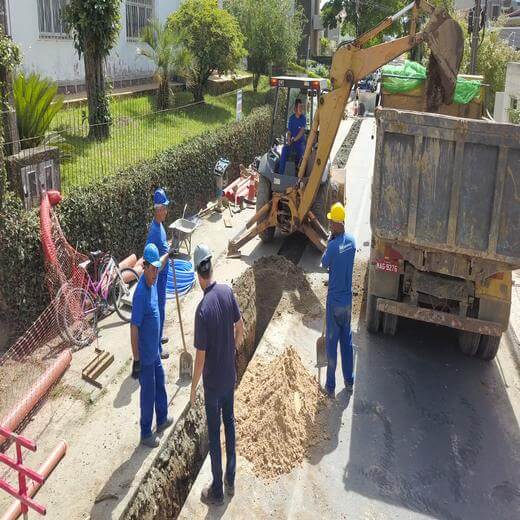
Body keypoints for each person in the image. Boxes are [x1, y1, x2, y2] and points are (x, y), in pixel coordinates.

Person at [190, 244, 244, 505]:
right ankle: (230, 480)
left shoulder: (202, 311)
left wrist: (192, 389)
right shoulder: (227, 291)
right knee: (230, 425)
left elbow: (199, 358)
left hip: (212, 386)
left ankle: (217, 492)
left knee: (214, 436)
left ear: (197, 273)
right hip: (229, 378)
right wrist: (231, 349)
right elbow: (240, 327)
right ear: (210, 267)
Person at [130, 243, 174, 448]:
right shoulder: (140, 293)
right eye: (153, 268)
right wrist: (136, 359)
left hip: (155, 351)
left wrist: (168, 254)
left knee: (161, 382)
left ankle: (162, 418)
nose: (155, 272)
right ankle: (146, 432)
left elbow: (162, 262)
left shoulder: (153, 280)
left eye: (157, 268)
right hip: (145, 356)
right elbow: (134, 328)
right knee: (147, 393)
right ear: (144, 266)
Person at [321, 202, 356, 398]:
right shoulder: (352, 242)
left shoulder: (333, 247)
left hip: (334, 302)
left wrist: (329, 243)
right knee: (347, 341)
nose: (330, 226)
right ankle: (349, 381)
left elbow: (324, 263)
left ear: (336, 223)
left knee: (332, 344)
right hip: (347, 302)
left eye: (331, 223)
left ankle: (331, 386)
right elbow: (345, 248)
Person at [146, 188, 171, 359]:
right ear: (159, 209)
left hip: (163, 276)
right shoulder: (154, 231)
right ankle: (157, 350)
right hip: (158, 278)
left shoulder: (160, 225)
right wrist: (168, 254)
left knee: (162, 309)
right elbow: (148, 256)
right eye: (165, 208)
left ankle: (159, 337)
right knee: (159, 311)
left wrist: (168, 249)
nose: (167, 211)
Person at [279, 98, 307, 176]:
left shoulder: (303, 119)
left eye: (302, 107)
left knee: (301, 154)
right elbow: (289, 132)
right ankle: (281, 174)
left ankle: (299, 175)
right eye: (300, 107)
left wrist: (294, 140)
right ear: (295, 109)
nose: (301, 109)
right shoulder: (291, 119)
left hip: (300, 143)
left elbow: (302, 132)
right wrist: (288, 139)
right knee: (284, 150)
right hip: (292, 142)